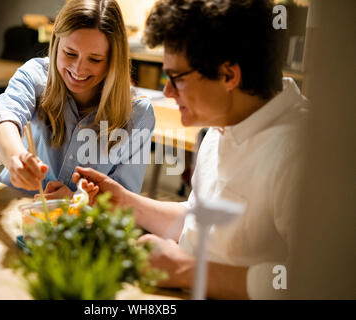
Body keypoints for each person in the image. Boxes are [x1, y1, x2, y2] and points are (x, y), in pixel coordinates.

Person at [73, 0, 308, 299]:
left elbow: (312, 281)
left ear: (228, 75)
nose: (167, 92)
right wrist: (126, 202)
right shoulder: (223, 123)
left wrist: (185, 268)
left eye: (175, 78)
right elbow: (202, 221)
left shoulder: (301, 154)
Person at [0, 0, 155, 200]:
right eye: (70, 53)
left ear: (113, 60)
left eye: (95, 59)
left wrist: (77, 201)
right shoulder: (36, 75)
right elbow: (0, 117)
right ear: (56, 44)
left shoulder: (138, 113)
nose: (79, 69)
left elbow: (127, 202)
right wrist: (16, 159)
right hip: (15, 209)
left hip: (78, 228)